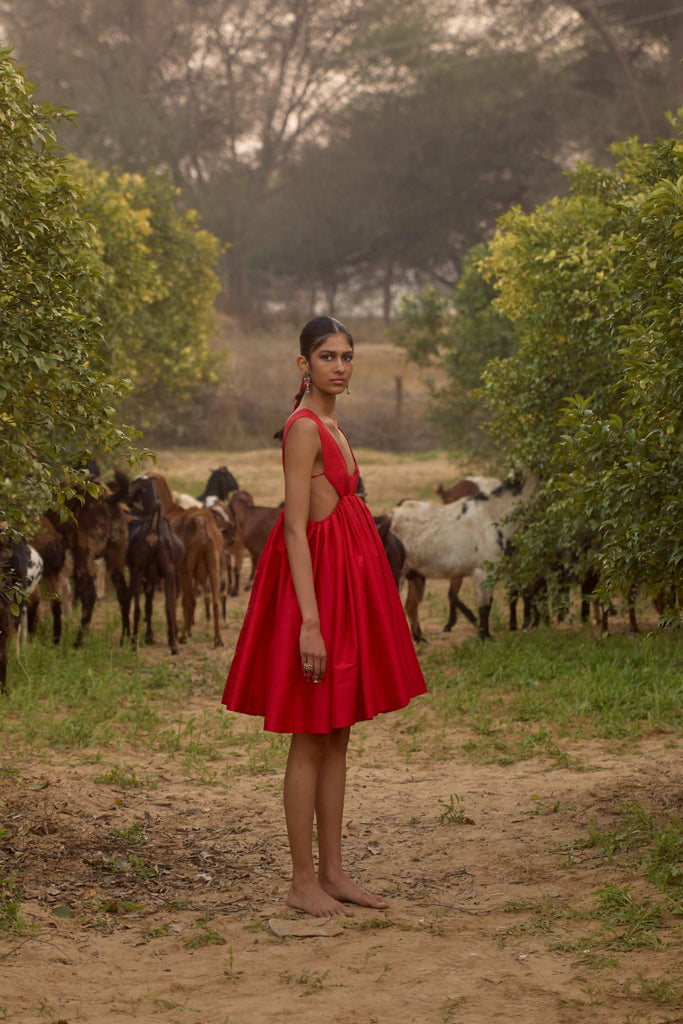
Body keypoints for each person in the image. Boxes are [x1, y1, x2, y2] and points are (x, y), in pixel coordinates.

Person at [222, 315, 427, 918]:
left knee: (337, 732)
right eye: (327, 356)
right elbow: (292, 525)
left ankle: (334, 873)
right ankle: (301, 880)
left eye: (347, 355)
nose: (340, 365)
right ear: (303, 364)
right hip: (317, 595)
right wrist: (309, 623)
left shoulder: (334, 423)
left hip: (347, 590)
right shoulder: (303, 428)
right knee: (310, 734)